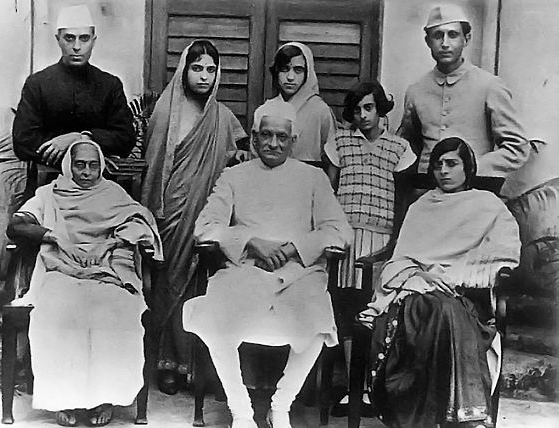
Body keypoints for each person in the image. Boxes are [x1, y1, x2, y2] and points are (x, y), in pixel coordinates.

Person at [182, 99, 352, 428]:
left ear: (293, 140)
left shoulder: (314, 178)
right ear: (255, 137)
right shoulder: (233, 176)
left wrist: (295, 248)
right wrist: (249, 241)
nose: (273, 143)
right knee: (215, 314)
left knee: (318, 318)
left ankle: (281, 404)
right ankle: (241, 411)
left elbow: (339, 231)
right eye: (266, 135)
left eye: (281, 137)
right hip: (246, 270)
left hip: (298, 273)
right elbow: (204, 228)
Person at [357, 137, 521, 428]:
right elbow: (400, 259)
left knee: (449, 309)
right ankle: (467, 416)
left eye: (451, 164)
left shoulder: (487, 205)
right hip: (416, 292)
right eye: (437, 165)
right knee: (439, 308)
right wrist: (423, 276)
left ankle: (449, 415)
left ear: (467, 168)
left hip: (467, 295)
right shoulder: (421, 206)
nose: (443, 171)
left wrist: (454, 277)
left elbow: (503, 254)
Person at [7, 141, 162, 427]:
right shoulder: (51, 194)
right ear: (69, 165)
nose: (87, 171)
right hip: (61, 269)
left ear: (101, 165)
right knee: (57, 311)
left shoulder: (113, 193)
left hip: (108, 270)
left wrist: (113, 243)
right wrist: (54, 236)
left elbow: (140, 221)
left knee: (115, 312)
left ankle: (105, 398)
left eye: (93, 165)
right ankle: (63, 399)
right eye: (80, 164)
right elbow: (16, 225)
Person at [141, 39, 247, 393]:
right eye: (197, 67)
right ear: (184, 70)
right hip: (171, 214)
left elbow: (239, 158)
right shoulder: (165, 112)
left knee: (207, 288)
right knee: (170, 286)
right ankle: (168, 365)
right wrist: (156, 211)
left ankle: (204, 369)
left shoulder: (224, 118)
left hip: (210, 217)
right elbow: (155, 168)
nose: (204, 76)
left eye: (211, 69)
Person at [324, 80, 416, 415]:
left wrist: (395, 246)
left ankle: (374, 390)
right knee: (346, 310)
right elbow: (327, 191)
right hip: (345, 239)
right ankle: (353, 387)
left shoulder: (399, 149)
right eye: (357, 109)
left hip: (381, 243)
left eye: (369, 108)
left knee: (375, 311)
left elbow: (404, 203)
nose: (363, 116)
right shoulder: (340, 142)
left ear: (380, 109)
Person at [398, 4, 529, 180]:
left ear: (466, 39)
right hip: (426, 190)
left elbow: (517, 146)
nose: (445, 44)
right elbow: (407, 144)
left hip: (474, 189)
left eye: (452, 35)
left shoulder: (489, 85)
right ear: (428, 41)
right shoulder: (416, 90)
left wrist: (474, 167)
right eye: (438, 36)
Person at [12, 4, 135, 169]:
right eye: (69, 38)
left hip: (99, 182)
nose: (77, 46)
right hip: (49, 181)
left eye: (84, 38)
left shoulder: (110, 85)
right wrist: (71, 145)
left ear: (93, 40)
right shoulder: (38, 84)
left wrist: (80, 138)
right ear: (58, 40)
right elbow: (23, 142)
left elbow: (125, 138)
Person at [266, 42, 337, 167]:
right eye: (284, 69)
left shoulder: (320, 111)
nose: (290, 77)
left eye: (298, 70)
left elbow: (333, 159)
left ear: (307, 73)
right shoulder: (267, 109)